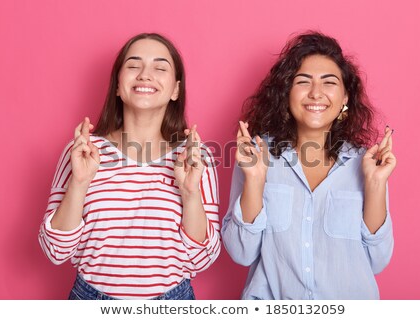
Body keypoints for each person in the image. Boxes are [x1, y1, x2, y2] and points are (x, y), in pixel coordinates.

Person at [39, 33, 220, 300]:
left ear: (175, 90)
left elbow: (203, 259)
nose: (145, 75)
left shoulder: (193, 156)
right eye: (134, 65)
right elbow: (55, 251)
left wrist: (190, 193)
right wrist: (79, 183)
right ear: (117, 85)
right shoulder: (83, 151)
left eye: (160, 68)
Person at [222, 31, 396, 300]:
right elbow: (242, 253)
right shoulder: (257, 155)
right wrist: (255, 180)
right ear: (286, 93)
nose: (316, 93)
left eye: (329, 83)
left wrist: (375, 185)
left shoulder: (367, 164)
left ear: (345, 97)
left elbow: (377, 261)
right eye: (303, 81)